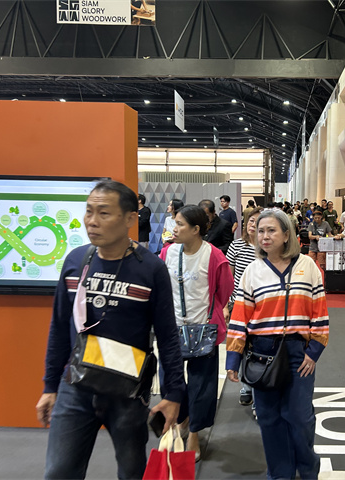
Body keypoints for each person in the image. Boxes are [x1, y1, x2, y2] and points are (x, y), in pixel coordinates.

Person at [37, 180, 186, 479]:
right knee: (59, 472)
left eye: (103, 213)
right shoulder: (76, 261)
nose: (92, 221)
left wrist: (174, 394)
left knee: (132, 472)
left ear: (130, 218)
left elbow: (168, 335)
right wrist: (50, 386)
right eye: (89, 211)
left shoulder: (150, 269)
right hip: (76, 386)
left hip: (127, 391)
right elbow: (59, 327)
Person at [226, 209, 329, 480]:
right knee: (269, 418)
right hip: (261, 352)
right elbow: (240, 316)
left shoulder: (308, 266)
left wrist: (314, 351)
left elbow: (319, 311)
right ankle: (280, 474)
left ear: (286, 234)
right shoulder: (252, 271)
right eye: (260, 231)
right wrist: (233, 357)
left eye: (271, 230)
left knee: (300, 417)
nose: (264, 236)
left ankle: (307, 470)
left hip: (298, 353)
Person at [159, 205, 233, 461]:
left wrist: (211, 314)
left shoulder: (213, 256)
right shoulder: (167, 253)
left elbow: (224, 291)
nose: (174, 228)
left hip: (203, 329)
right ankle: (181, 419)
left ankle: (194, 433)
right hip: (172, 330)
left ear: (196, 229)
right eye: (175, 223)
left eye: (180, 224)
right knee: (169, 381)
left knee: (202, 385)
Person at [225, 206, 263, 416]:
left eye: (258, 221)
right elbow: (229, 278)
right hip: (239, 305)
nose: (253, 225)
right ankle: (246, 387)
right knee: (241, 346)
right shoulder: (236, 246)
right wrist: (227, 305)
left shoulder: (268, 247)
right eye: (250, 221)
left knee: (257, 350)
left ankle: (257, 394)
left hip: (262, 307)